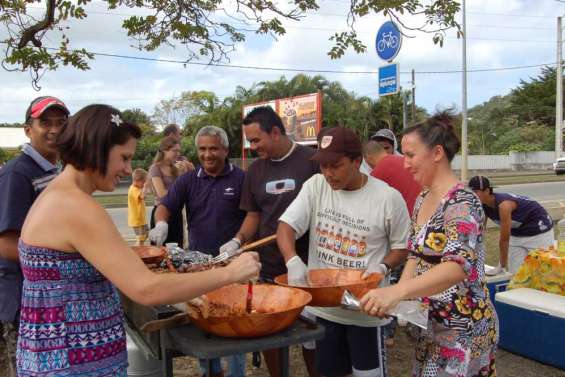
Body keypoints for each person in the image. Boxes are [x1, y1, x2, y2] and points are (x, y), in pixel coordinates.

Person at [15, 104, 260, 376]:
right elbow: (146, 289)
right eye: (124, 157)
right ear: (98, 148)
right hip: (72, 362)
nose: (127, 168)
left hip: (60, 356)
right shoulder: (76, 206)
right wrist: (230, 273)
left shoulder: (61, 195)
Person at [361, 112, 498, 377]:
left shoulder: (462, 202)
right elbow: (414, 255)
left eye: (410, 155)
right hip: (432, 324)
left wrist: (396, 293)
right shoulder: (424, 196)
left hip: (464, 328)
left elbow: (456, 267)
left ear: (437, 153)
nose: (405, 164)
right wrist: (399, 299)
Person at [277, 126, 410, 377]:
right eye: (323, 166)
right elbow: (286, 226)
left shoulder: (387, 198)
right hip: (325, 308)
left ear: (357, 161)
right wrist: (292, 260)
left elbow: (402, 246)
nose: (328, 174)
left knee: (367, 374)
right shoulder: (315, 186)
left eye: (335, 166)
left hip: (365, 312)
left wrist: (382, 267)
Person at [222, 106, 320, 377]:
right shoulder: (255, 171)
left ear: (275, 132)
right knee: (269, 332)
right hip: (270, 265)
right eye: (249, 141)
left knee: (313, 337)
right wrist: (237, 239)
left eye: (256, 140)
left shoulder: (311, 160)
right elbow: (254, 214)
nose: (253, 147)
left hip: (308, 265)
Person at [149, 125, 247, 377]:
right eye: (202, 149)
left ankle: (236, 373)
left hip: (232, 265)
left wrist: (238, 240)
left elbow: (253, 215)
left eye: (213, 148)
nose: (207, 154)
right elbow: (165, 206)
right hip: (199, 267)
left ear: (225, 149)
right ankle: (209, 371)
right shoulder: (188, 180)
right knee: (205, 321)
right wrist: (161, 223)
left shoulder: (241, 179)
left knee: (235, 323)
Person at [0, 96, 69, 377]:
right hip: (23, 301)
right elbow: (6, 245)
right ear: (28, 129)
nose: (54, 130)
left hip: (48, 297)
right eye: (45, 123)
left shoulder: (56, 171)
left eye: (61, 123)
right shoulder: (17, 174)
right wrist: (63, 262)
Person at [468, 175, 554, 275]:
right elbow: (480, 232)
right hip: (518, 231)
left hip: (539, 231)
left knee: (544, 272)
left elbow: (504, 239)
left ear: (487, 191)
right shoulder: (482, 205)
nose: (472, 195)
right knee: (517, 274)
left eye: (475, 191)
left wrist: (501, 266)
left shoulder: (504, 205)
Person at [363, 140, 422, 216]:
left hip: (410, 216)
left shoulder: (378, 170)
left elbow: (368, 201)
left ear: (368, 157)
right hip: (424, 208)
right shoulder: (402, 159)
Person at [147, 136, 185, 246]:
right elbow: (162, 193)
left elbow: (182, 191)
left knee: (177, 249)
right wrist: (179, 180)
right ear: (164, 151)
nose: (178, 154)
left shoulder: (175, 168)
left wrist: (181, 174)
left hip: (176, 214)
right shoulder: (156, 168)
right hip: (161, 214)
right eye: (174, 151)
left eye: (179, 151)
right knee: (159, 250)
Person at [128, 168, 149, 246]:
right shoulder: (133, 190)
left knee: (145, 235)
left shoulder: (137, 188)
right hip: (137, 220)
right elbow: (143, 196)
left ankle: (139, 250)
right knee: (140, 240)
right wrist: (146, 187)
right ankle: (137, 253)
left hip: (141, 219)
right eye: (143, 182)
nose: (144, 184)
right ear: (137, 180)